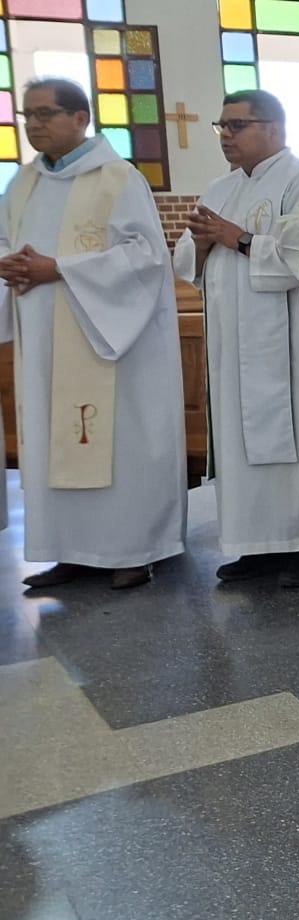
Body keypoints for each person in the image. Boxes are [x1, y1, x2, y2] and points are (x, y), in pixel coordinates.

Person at [0, 78, 184, 591]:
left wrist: (59, 268)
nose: (34, 124)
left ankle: (132, 550)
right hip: (43, 343)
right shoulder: (23, 183)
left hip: (109, 340)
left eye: (45, 113)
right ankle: (71, 549)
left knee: (117, 443)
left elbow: (146, 258)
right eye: (28, 115)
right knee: (51, 440)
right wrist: (10, 266)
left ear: (81, 118)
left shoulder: (117, 178)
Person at [172, 91, 299, 589]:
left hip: (287, 341)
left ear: (273, 128)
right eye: (222, 126)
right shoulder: (221, 187)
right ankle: (256, 544)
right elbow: (187, 262)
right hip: (232, 342)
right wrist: (203, 243)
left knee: (295, 441)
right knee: (240, 443)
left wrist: (235, 237)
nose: (226, 135)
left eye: (237, 125)